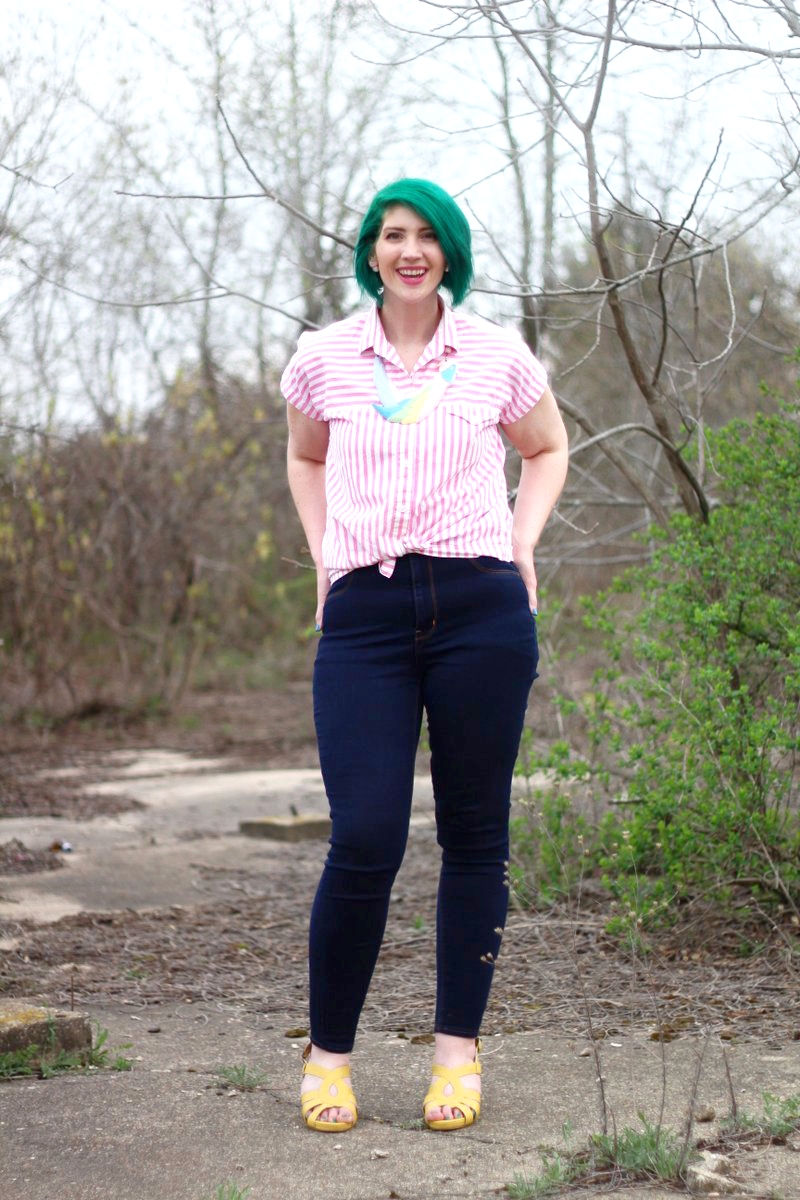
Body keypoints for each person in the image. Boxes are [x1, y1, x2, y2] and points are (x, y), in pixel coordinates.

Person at [282, 178, 568, 1133]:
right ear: (370, 253)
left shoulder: (492, 356)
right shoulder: (325, 358)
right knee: (365, 835)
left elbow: (548, 446)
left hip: (481, 610)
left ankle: (457, 1054)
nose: (410, 250)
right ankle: (328, 1059)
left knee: (475, 833)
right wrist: (326, 556)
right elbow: (307, 456)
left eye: (427, 236)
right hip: (365, 617)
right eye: (391, 235)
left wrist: (522, 543)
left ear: (449, 252)